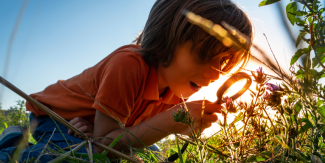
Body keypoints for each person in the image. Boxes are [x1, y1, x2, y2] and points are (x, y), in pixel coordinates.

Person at [0, 0, 253, 162]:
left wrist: (189, 124)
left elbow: (120, 138)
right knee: (80, 160)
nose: (216, 73)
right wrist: (171, 121)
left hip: (96, 127)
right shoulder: (129, 65)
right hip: (56, 117)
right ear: (167, 37)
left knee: (149, 156)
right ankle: (11, 148)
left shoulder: (178, 92)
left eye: (222, 64)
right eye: (203, 55)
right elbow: (103, 149)